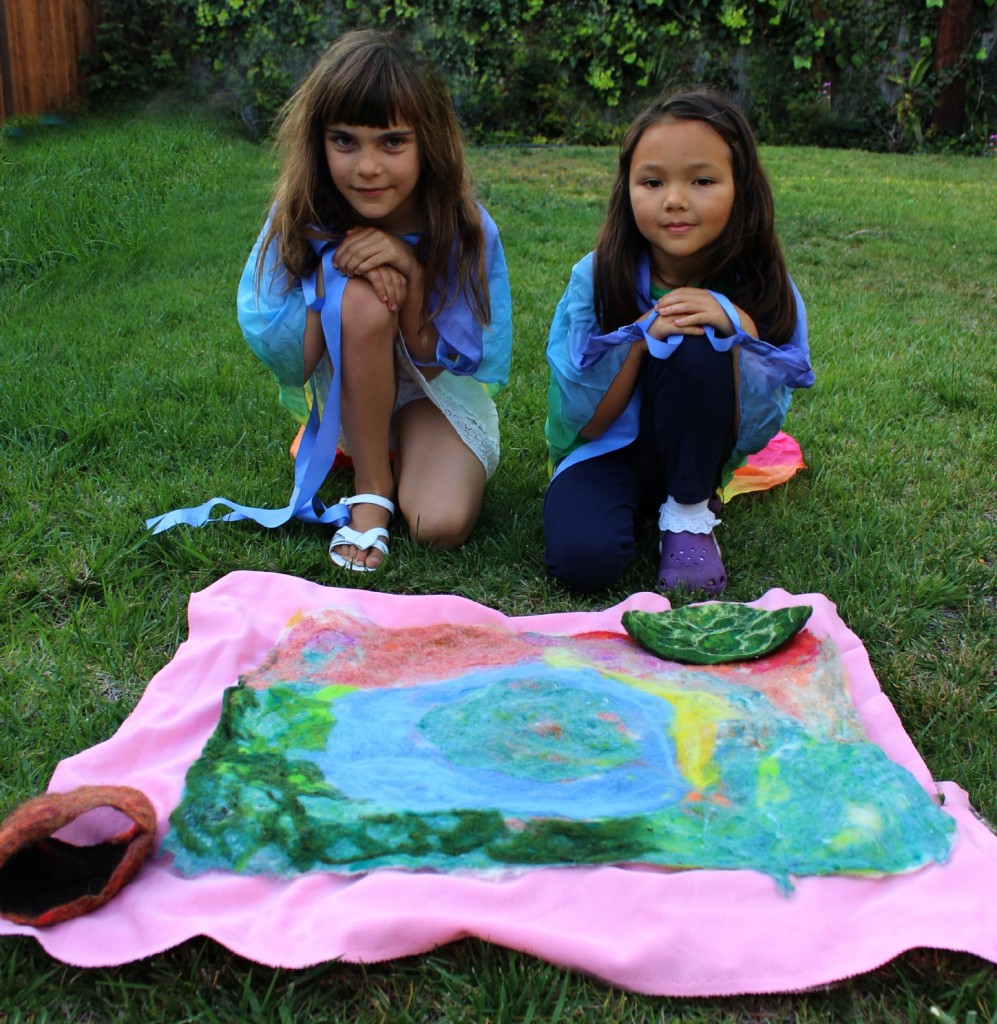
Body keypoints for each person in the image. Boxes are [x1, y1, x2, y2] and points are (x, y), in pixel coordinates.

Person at [147, 30, 513, 571]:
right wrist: (331, 277)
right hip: (343, 378)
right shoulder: (301, 217)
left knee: (438, 526)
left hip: (429, 396)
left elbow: (438, 367)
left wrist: (408, 270)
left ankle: (392, 446)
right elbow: (291, 357)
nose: (367, 167)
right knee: (361, 294)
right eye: (345, 141)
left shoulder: (461, 227)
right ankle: (370, 485)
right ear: (318, 140)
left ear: (428, 141)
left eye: (392, 142)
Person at [543, 90, 813, 595]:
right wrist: (643, 339)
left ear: (741, 188)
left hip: (696, 455)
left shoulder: (762, 285)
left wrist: (737, 330)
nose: (674, 199)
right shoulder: (597, 277)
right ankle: (641, 510)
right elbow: (584, 420)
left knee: (700, 333)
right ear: (626, 189)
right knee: (584, 561)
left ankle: (687, 513)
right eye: (652, 181)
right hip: (606, 454)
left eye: (702, 180)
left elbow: (751, 430)